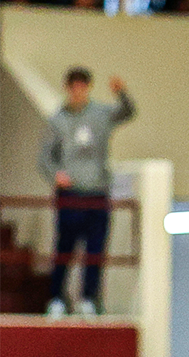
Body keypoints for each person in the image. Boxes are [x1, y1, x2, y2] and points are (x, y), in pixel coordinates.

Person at [39, 67, 134, 317]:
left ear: (88, 88)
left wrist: (121, 92)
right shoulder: (58, 120)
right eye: (74, 85)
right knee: (64, 248)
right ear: (68, 88)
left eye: (82, 85)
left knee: (95, 250)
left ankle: (88, 298)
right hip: (71, 195)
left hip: (97, 192)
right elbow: (45, 158)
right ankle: (57, 297)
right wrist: (55, 175)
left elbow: (127, 112)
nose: (78, 90)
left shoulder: (101, 114)